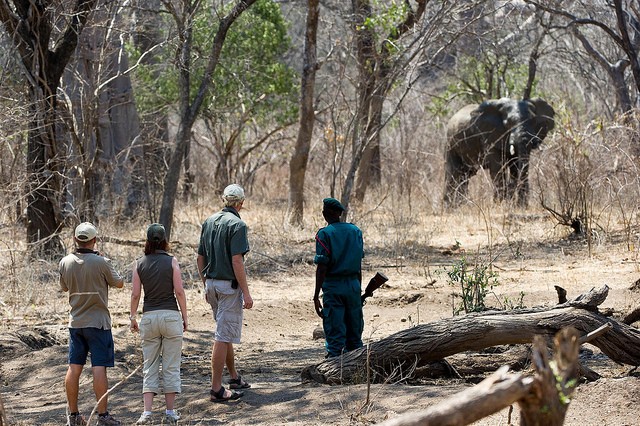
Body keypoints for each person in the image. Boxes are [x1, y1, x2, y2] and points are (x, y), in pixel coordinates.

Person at [59, 222, 124, 426]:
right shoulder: (101, 261)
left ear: (75, 239)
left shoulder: (65, 262)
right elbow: (119, 282)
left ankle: (73, 415)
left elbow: (63, 287)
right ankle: (103, 417)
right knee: (99, 368)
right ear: (94, 240)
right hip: (98, 323)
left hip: (76, 322)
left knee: (74, 367)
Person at [197, 184, 254, 403]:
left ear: (224, 200)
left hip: (211, 284)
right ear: (241, 203)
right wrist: (246, 293)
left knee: (224, 331)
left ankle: (234, 378)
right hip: (228, 287)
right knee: (222, 336)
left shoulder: (209, 221)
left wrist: (206, 283)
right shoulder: (238, 224)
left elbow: (200, 257)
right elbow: (237, 260)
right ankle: (216, 389)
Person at [130, 223, 188, 425]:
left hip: (149, 317)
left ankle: (147, 412)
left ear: (147, 241)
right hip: (171, 316)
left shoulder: (139, 263)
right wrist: (185, 317)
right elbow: (179, 291)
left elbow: (136, 293)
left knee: (150, 364)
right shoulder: (172, 261)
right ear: (165, 241)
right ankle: (170, 412)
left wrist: (132, 316)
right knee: (171, 366)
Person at [313, 198, 365, 358]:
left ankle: (336, 370)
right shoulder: (355, 231)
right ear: (341, 213)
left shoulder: (324, 234)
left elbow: (322, 267)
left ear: (324, 214)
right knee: (355, 334)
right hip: (353, 286)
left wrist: (316, 296)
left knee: (335, 333)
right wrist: (358, 289)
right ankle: (358, 369)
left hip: (334, 287)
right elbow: (358, 265)